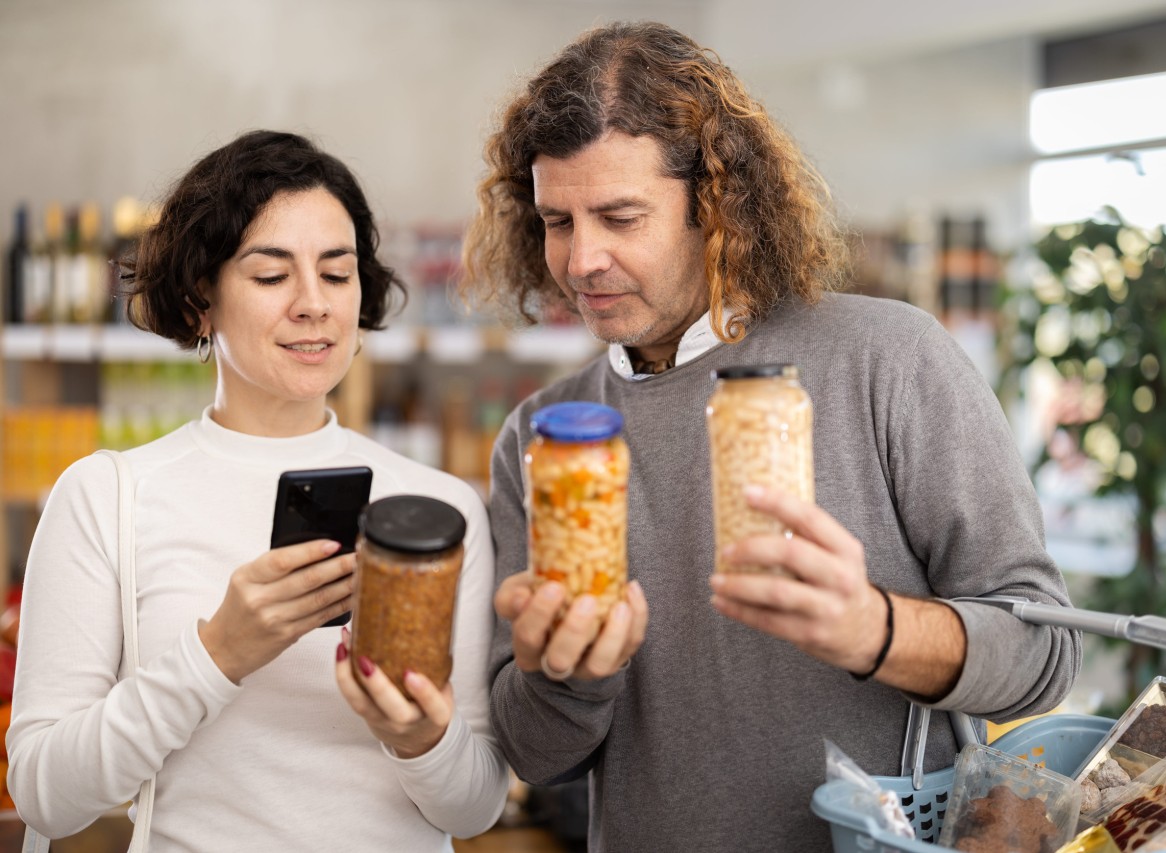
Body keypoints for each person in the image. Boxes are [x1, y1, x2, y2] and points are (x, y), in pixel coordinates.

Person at [460, 21, 1081, 852]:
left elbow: (1044, 652)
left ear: (712, 204)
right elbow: (536, 756)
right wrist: (568, 676)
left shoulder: (889, 360)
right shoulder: (544, 437)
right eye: (558, 221)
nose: (581, 260)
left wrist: (876, 629)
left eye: (619, 216)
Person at [6, 130, 509, 849]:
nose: (313, 304)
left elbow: (475, 806)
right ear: (198, 299)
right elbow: (44, 794)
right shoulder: (104, 496)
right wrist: (217, 653)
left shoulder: (440, 507)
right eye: (272, 276)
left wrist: (422, 736)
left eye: (337, 274)